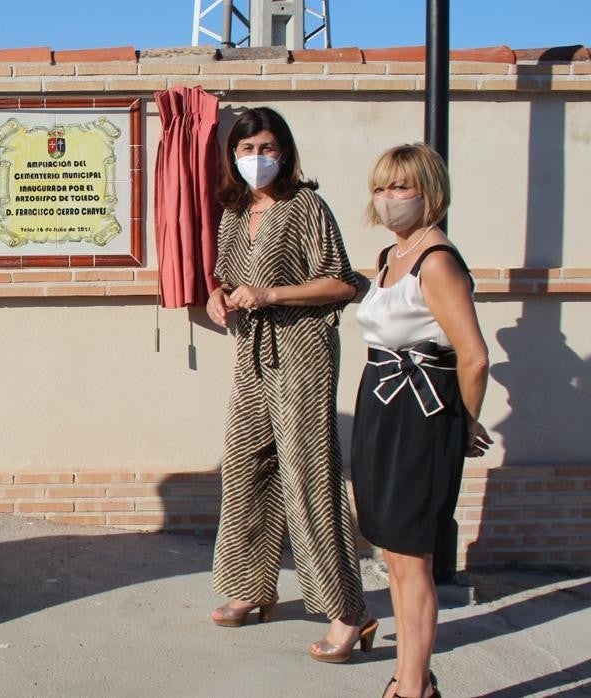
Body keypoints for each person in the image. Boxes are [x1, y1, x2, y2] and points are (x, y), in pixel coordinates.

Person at [205, 107, 373, 662]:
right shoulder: (233, 213)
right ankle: (252, 587)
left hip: (302, 354)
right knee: (245, 466)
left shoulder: (306, 208)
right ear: (234, 156)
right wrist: (217, 296)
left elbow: (344, 283)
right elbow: (227, 277)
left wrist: (273, 295)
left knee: (308, 475)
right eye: (248, 149)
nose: (258, 159)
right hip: (251, 356)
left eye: (267, 147)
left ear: (286, 151)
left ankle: (348, 612)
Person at [352, 143, 491, 698]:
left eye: (401, 187)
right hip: (382, 406)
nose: (389, 199)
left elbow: (474, 355)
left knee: (413, 562)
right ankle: (411, 678)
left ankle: (412, 688)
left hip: (422, 411)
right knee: (394, 554)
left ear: (428, 191)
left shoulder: (436, 261)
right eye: (382, 188)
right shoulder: (392, 256)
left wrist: (462, 424)